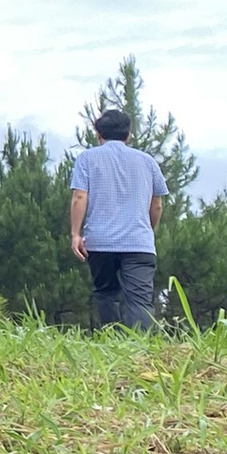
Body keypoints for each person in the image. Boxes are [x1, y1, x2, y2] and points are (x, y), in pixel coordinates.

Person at [71, 108, 167, 330]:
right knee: (140, 301)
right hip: (139, 242)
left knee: (106, 294)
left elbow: (79, 196)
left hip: (100, 241)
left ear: (98, 134)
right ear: (129, 134)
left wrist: (76, 234)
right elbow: (157, 204)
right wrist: (148, 229)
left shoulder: (86, 159)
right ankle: (140, 350)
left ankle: (111, 343)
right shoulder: (148, 161)